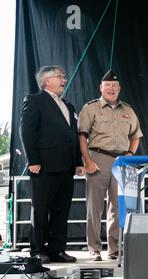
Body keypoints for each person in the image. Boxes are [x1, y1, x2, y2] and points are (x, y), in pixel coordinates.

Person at [20, 65, 84, 263]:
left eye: (63, 77)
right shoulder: (35, 100)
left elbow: (73, 135)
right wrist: (33, 160)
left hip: (66, 166)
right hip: (44, 165)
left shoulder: (68, 105)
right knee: (40, 209)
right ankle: (37, 250)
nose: (64, 80)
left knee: (61, 210)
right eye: (60, 77)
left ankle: (57, 250)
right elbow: (27, 131)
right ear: (47, 80)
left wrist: (78, 161)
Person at [78, 70, 143, 261]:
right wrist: (87, 161)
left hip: (121, 161)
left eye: (115, 85)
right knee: (94, 207)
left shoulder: (128, 110)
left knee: (117, 206)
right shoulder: (91, 108)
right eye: (108, 85)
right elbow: (82, 136)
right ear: (101, 87)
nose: (111, 88)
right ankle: (94, 250)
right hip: (97, 158)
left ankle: (114, 249)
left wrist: (130, 155)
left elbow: (136, 137)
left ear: (119, 88)